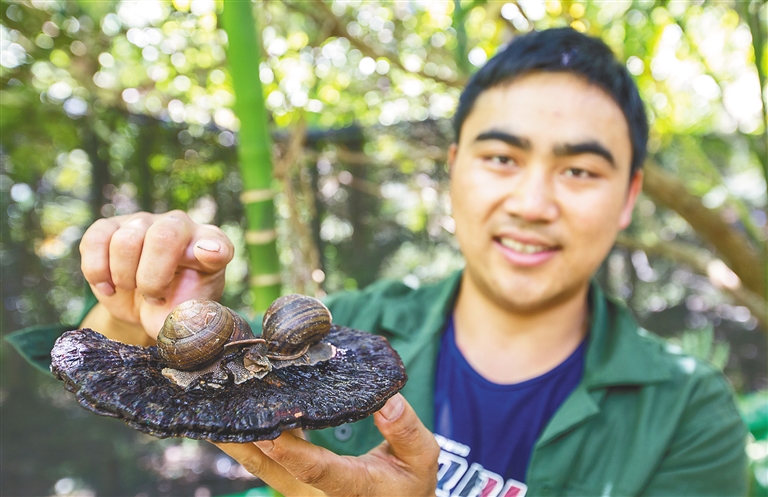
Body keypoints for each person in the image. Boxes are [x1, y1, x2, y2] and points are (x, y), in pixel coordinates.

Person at [8, 28, 747, 496]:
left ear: (629, 197)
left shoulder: (688, 412)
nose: (532, 200)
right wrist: (129, 305)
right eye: (500, 156)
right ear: (454, 166)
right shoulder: (355, 330)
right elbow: (103, 378)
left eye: (581, 171)